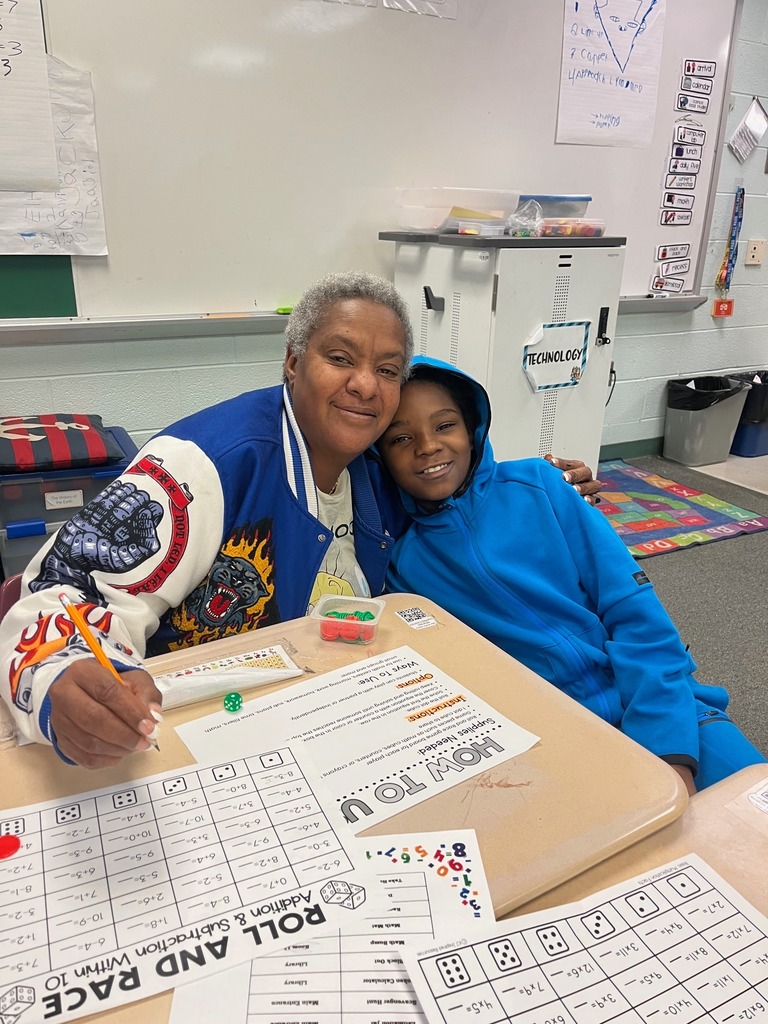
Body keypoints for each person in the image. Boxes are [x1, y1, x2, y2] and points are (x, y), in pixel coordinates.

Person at [0, 273, 599, 769]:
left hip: (330, 713)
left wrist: (543, 483)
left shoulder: (377, 464)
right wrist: (59, 683)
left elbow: (452, 485)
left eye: (388, 370)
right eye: (340, 359)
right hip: (191, 732)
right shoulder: (205, 464)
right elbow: (59, 588)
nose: (365, 385)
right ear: (292, 362)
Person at [378, 357, 767, 793]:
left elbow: (640, 619)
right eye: (401, 438)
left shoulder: (541, 485)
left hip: (665, 704)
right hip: (556, 744)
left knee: (752, 819)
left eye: (445, 425)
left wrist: (671, 753)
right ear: (381, 456)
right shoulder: (404, 567)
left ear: (472, 429)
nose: (428, 446)